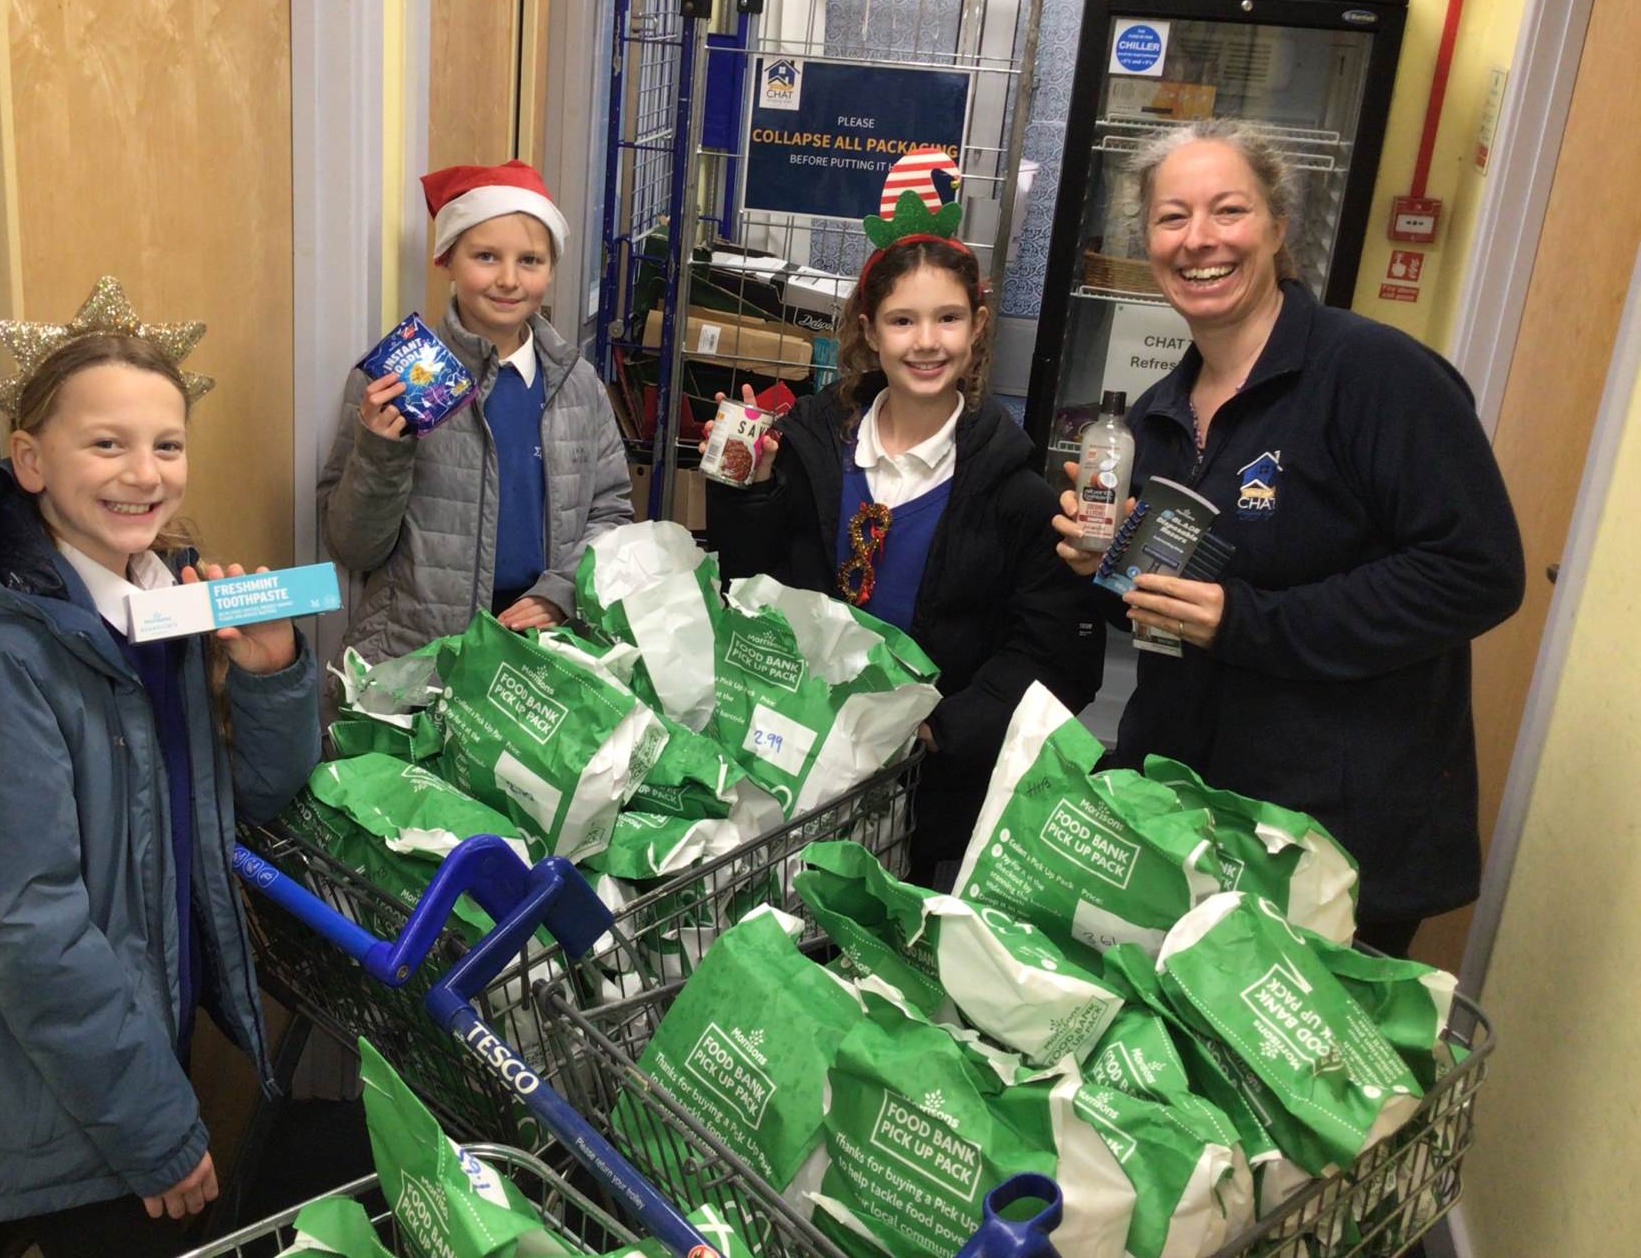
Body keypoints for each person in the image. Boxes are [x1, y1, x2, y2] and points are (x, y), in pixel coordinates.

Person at [1051, 120, 1524, 957]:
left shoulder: (1374, 375)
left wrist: (1244, 621)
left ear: (1277, 226)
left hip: (1334, 847)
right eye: (1171, 217)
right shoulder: (1157, 418)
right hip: (1193, 824)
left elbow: (1474, 571)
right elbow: (1174, 617)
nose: (1198, 239)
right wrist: (1117, 566)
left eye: (1228, 210)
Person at [0, 282, 320, 1256]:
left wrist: (269, 673)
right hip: (66, 1118)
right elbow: (25, 927)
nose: (145, 473)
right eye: (107, 444)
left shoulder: (160, 612)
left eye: (167, 445)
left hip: (147, 1050)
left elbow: (250, 802)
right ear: (30, 460)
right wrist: (154, 1126)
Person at [707, 231, 1106, 883]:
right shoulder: (809, 448)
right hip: (784, 762)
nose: (926, 342)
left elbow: (1054, 655)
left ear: (977, 327)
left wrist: (942, 730)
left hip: (927, 799)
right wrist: (749, 490)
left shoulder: (1016, 495)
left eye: (947, 318)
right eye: (902, 321)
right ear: (869, 331)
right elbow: (749, 585)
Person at [319, 160, 633, 661]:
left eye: (529, 261)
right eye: (486, 256)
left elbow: (610, 513)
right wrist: (380, 451)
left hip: (543, 654)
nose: (508, 280)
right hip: (417, 657)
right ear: (446, 259)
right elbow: (353, 548)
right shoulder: (389, 385)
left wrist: (564, 592)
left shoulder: (577, 385)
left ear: (551, 270)